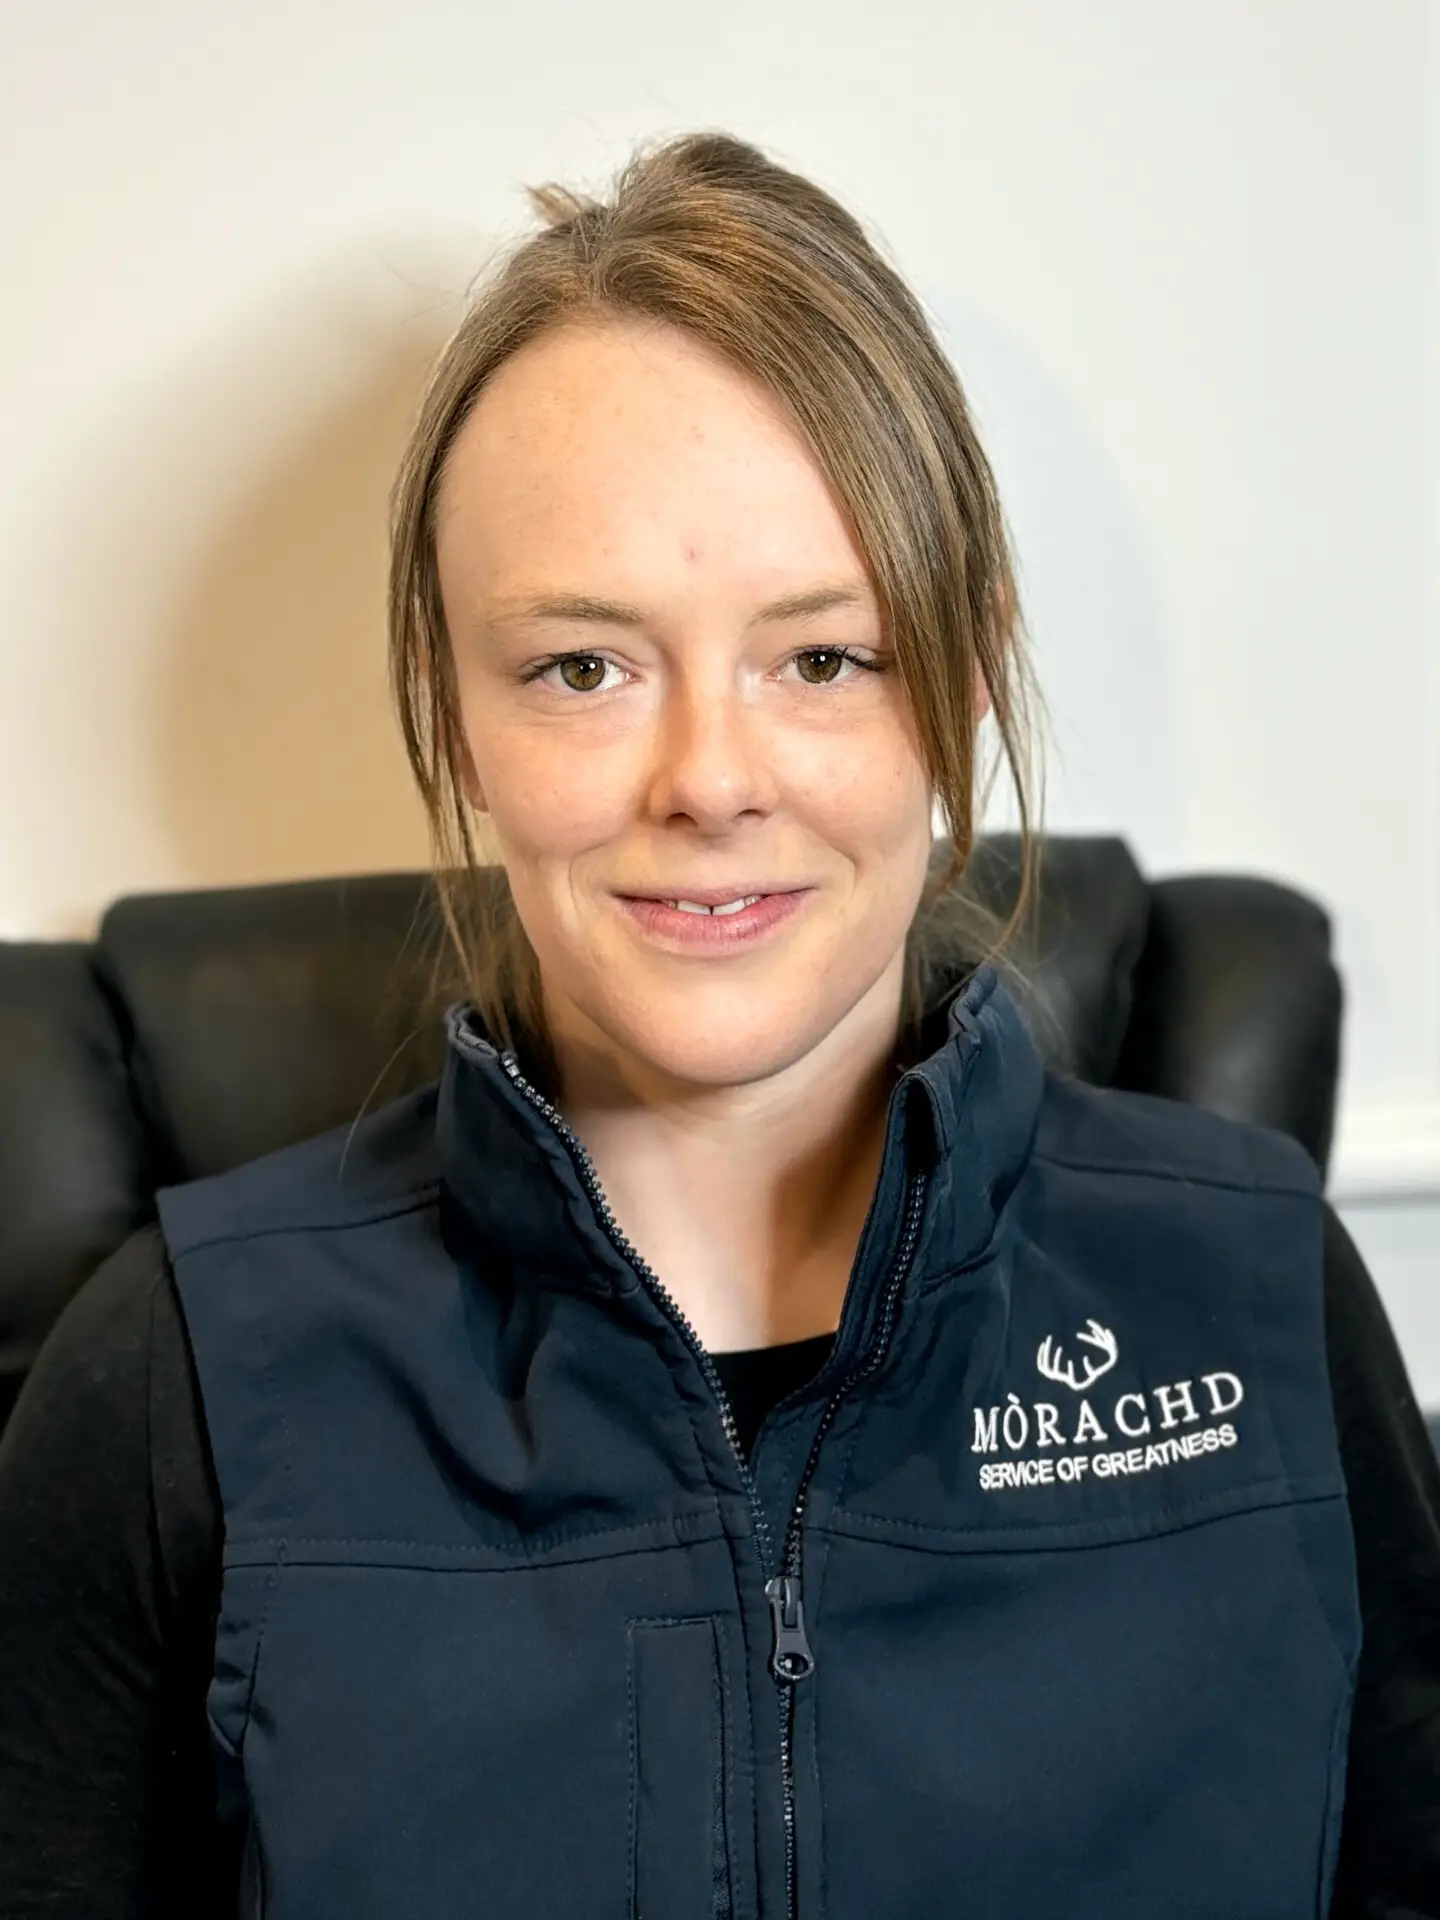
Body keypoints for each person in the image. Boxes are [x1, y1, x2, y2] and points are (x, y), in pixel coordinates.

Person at [0, 130, 1438, 1920]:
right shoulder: (169, 1386)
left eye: (823, 657)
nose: (709, 780)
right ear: (458, 724)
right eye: (581, 667)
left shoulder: (1261, 1295)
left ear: (963, 678)